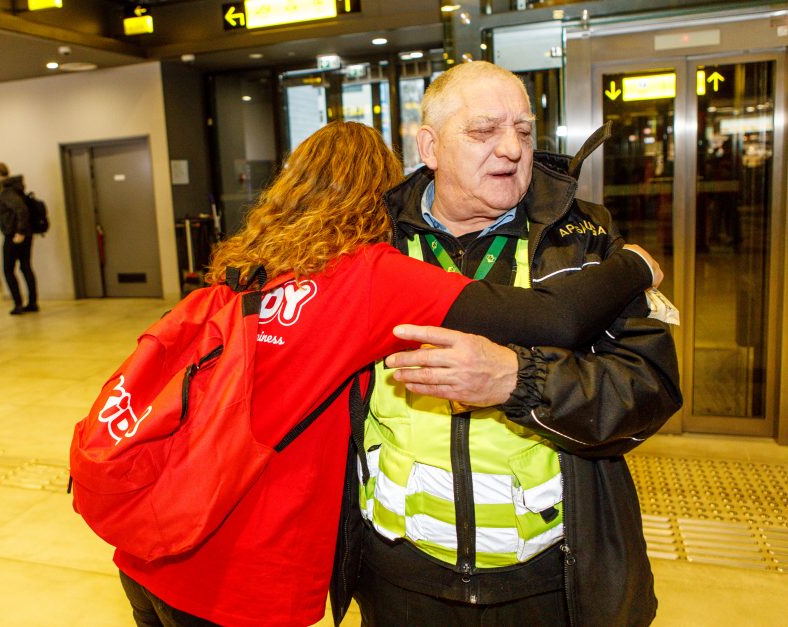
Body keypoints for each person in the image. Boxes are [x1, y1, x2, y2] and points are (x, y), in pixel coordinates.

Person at [108, 122, 663, 627]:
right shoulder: (368, 277)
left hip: (150, 548)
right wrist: (635, 266)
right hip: (231, 579)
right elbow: (555, 318)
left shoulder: (244, 269)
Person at [334, 62, 682, 627]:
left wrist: (518, 380)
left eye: (523, 130)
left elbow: (650, 386)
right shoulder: (369, 243)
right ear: (430, 146)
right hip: (397, 580)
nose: (513, 149)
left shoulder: (584, 242)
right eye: (483, 131)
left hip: (547, 582)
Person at [0, 162, 38, 315]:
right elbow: (16, 210)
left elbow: (21, 210)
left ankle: (18, 304)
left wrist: (20, 232)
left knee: (8, 270)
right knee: (25, 267)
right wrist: (0, 211)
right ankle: (32, 303)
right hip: (26, 233)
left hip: (15, 235)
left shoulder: (6, 191)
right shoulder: (16, 188)